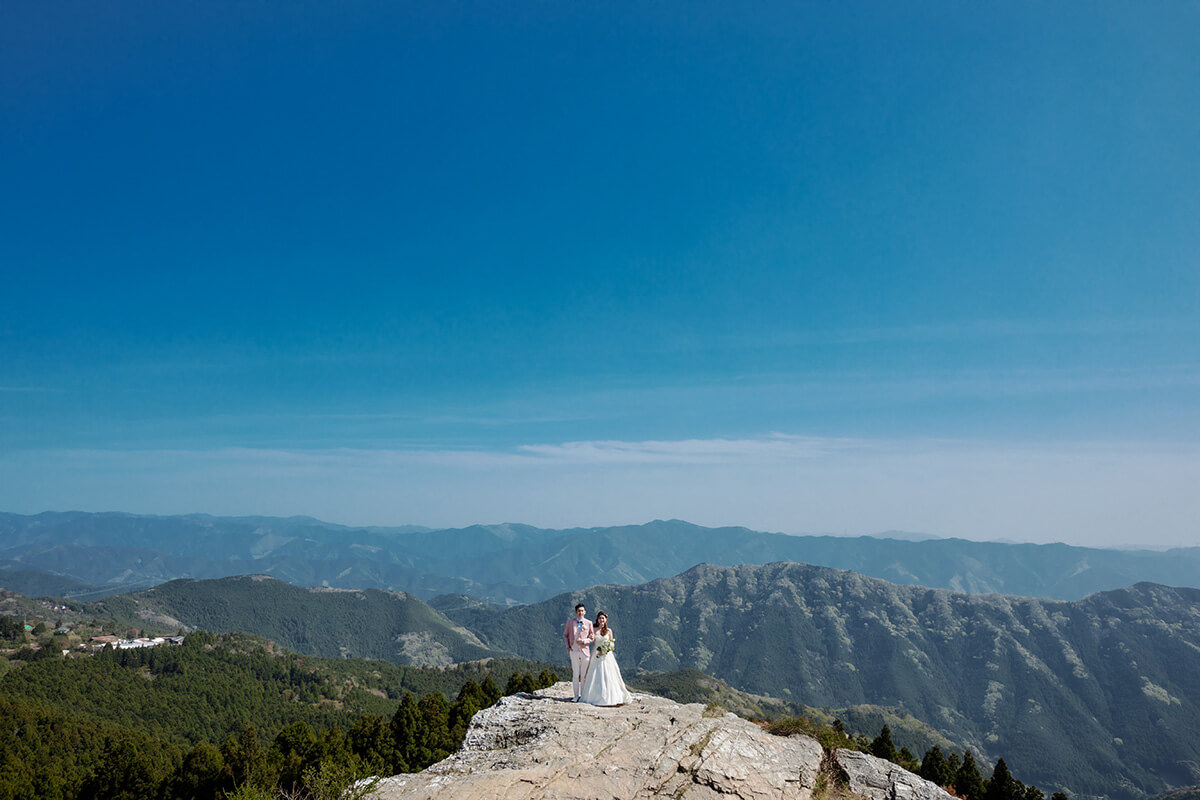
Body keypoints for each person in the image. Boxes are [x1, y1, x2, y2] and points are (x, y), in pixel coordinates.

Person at [580, 611, 632, 706]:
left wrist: (606, 650)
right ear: (597, 619)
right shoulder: (594, 629)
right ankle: (595, 696)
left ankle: (611, 697)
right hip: (596, 654)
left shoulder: (609, 631)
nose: (601, 620)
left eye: (603, 618)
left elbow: (612, 643)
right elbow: (589, 639)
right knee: (596, 675)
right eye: (600, 618)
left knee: (609, 675)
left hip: (607, 655)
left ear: (606, 619)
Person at [563, 602, 594, 702]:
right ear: (576, 612)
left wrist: (585, 641)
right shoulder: (570, 622)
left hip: (585, 651)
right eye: (579, 611)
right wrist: (568, 646)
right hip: (574, 651)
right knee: (576, 674)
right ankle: (576, 696)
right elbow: (565, 635)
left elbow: (592, 637)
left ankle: (583, 696)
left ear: (585, 612)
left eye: (582, 611)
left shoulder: (589, 623)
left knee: (584, 675)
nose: (580, 612)